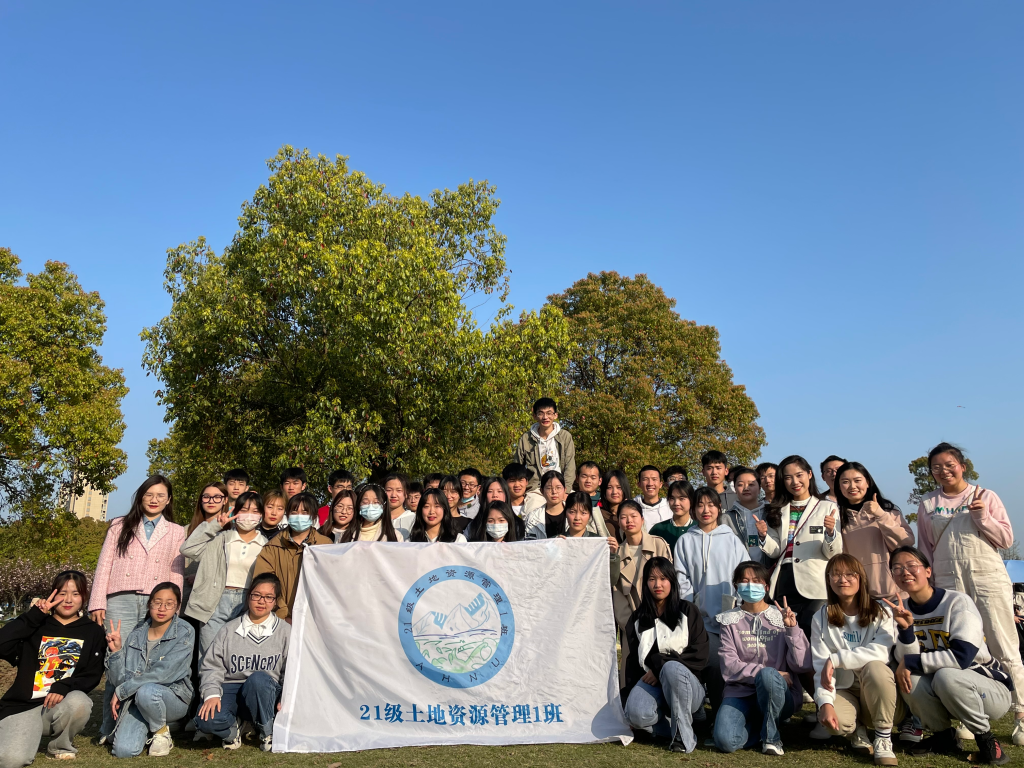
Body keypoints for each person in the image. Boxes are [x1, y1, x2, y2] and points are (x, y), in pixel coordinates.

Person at [914, 442, 1024, 741]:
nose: (943, 471)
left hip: (987, 578)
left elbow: (1006, 539)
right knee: (961, 647)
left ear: (962, 466)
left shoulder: (986, 496)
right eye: (936, 467)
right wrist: (929, 586)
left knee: (1004, 644)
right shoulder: (928, 503)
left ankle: (1021, 714)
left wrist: (982, 517)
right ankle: (968, 712)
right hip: (948, 581)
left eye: (949, 465)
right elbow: (926, 547)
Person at [889, 546, 1013, 764]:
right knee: (910, 677)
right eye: (897, 568)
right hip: (943, 689)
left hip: (988, 689)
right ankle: (943, 736)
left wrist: (910, 661)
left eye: (911, 566)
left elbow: (962, 657)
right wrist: (906, 630)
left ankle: (986, 738)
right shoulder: (900, 609)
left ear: (928, 571)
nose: (905, 572)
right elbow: (904, 661)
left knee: (946, 675)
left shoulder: (957, 602)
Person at [89, 475, 185, 742]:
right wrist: (97, 601)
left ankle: (139, 723)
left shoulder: (176, 531)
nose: (154, 500)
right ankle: (108, 727)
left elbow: (176, 571)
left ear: (168, 500)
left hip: (157, 601)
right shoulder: (119, 525)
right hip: (121, 598)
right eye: (149, 494)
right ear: (140, 497)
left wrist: (174, 607)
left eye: (160, 495)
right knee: (117, 659)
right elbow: (104, 564)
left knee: (149, 660)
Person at [0, 572, 104, 766]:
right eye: (62, 593)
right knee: (10, 760)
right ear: (52, 595)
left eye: (75, 593)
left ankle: (59, 746)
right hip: (24, 707)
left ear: (84, 597)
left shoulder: (93, 631)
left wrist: (65, 685)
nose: (68, 600)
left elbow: (92, 674)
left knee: (79, 702)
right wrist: (33, 616)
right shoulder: (37, 624)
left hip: (59, 707)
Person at [714, 562, 811, 756]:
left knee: (768, 676)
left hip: (779, 693)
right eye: (745, 581)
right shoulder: (728, 620)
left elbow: (802, 663)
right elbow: (729, 666)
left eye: (756, 581)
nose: (750, 586)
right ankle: (761, 726)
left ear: (766, 587)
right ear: (736, 586)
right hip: (740, 692)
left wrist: (792, 629)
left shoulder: (781, 617)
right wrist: (767, 673)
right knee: (725, 741)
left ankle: (771, 739)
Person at [811, 554, 899, 765]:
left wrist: (837, 659)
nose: (843, 579)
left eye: (850, 574)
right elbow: (821, 666)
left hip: (876, 689)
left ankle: (883, 737)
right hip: (845, 688)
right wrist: (824, 702)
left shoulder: (882, 611)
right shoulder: (820, 617)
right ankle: (857, 729)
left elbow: (881, 652)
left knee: (876, 668)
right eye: (836, 574)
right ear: (828, 579)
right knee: (836, 725)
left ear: (861, 578)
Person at [674, 487, 749, 719]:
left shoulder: (732, 540)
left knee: (722, 669)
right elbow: (681, 578)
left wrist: (737, 606)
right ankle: (698, 712)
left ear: (719, 508)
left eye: (711, 505)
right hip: (698, 619)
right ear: (693, 510)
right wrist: (691, 610)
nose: (705, 510)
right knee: (703, 664)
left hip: (730, 618)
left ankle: (721, 716)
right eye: (700, 505)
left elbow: (744, 574)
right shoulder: (685, 541)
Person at [195, 574, 290, 752]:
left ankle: (266, 730)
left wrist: (287, 696)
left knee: (258, 679)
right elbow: (212, 666)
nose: (261, 601)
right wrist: (211, 694)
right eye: (257, 595)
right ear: (248, 596)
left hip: (265, 692)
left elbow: (290, 670)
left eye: (268, 597)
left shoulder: (285, 631)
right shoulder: (229, 629)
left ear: (275, 601)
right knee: (206, 720)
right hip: (232, 688)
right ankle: (234, 729)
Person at [623, 557, 709, 753]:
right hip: (654, 687)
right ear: (645, 583)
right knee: (635, 714)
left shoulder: (688, 611)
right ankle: (674, 726)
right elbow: (633, 663)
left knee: (671, 667)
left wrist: (660, 667)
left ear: (672, 581)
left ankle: (683, 738)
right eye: (652, 579)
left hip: (689, 686)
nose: (658, 585)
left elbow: (700, 654)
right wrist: (627, 700)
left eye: (663, 578)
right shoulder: (637, 618)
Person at [104, 583, 195, 758]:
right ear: (149, 604)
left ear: (177, 606)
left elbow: (165, 673)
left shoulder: (185, 631)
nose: (162, 608)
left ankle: (161, 732)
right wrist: (116, 652)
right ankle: (152, 725)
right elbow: (120, 680)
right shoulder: (137, 633)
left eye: (169, 604)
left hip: (172, 697)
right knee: (124, 751)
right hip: (137, 700)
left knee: (147, 690)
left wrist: (123, 690)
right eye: (157, 602)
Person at [757, 455, 842, 638]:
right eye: (788, 478)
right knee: (787, 633)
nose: (795, 482)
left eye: (799, 475)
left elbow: (833, 553)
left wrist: (830, 533)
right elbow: (776, 551)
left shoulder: (827, 507)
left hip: (816, 581)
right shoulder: (778, 509)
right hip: (784, 580)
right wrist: (763, 536)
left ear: (809, 474)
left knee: (814, 631)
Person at [180, 491, 268, 654]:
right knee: (209, 654)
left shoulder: (266, 545)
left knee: (238, 655)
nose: (249, 515)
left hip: (247, 603)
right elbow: (188, 549)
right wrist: (215, 526)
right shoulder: (221, 538)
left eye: (255, 511)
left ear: (261, 515)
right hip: (215, 600)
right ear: (235, 513)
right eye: (244, 510)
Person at [833, 462, 914, 602]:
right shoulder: (837, 517)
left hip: (896, 594)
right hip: (860, 597)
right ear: (839, 487)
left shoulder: (887, 510)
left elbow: (905, 542)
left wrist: (880, 514)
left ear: (868, 482)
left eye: (857, 480)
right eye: (845, 482)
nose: (852, 486)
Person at [613, 500, 672, 682]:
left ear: (642, 519)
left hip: (661, 622)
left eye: (633, 516)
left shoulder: (658, 545)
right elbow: (616, 593)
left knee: (664, 673)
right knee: (632, 678)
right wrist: (632, 625)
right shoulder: (617, 554)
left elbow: (670, 582)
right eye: (624, 517)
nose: (629, 521)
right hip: (632, 626)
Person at [252, 492, 331, 620]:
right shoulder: (272, 547)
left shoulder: (325, 545)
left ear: (314, 516)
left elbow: (330, 583)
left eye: (305, 513)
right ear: (287, 515)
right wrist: (283, 613)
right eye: (294, 512)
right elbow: (264, 584)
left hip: (316, 617)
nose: (299, 516)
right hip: (281, 619)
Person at [512, 397, 576, 494]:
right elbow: (517, 467)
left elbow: (570, 465)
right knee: (533, 504)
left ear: (555, 415)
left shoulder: (565, 437)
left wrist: (565, 491)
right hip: (536, 489)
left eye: (549, 413)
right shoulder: (526, 438)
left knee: (576, 502)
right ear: (535, 416)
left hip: (561, 487)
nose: (545, 417)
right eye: (541, 413)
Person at [561, 492, 620, 584]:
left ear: (590, 515)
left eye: (583, 513)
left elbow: (611, 581)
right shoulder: (556, 541)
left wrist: (612, 555)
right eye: (572, 512)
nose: (577, 517)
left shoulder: (599, 543)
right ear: (565, 513)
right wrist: (554, 547)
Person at [720, 467, 768, 565]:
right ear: (735, 489)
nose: (746, 488)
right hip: (739, 570)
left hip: (768, 570)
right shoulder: (727, 518)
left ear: (759, 488)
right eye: (740, 485)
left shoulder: (771, 514)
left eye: (751, 484)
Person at [339, 483, 404, 542]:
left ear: (384, 506)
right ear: (359, 505)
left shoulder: (395, 536)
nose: (370, 506)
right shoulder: (345, 536)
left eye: (376, 502)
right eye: (365, 502)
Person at [650, 481, 696, 550]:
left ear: (691, 500)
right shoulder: (658, 529)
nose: (676, 503)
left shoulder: (699, 529)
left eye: (681, 498)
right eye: (672, 498)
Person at [524, 470, 567, 539]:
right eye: (549, 488)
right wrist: (554, 541)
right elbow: (530, 543)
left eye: (558, 488)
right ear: (542, 491)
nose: (554, 492)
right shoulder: (533, 517)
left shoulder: (574, 513)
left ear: (565, 490)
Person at [636, 465, 673, 530]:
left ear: (660, 484)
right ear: (639, 484)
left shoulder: (670, 506)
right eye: (645, 479)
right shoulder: (633, 507)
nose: (650, 483)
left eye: (654, 479)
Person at [601, 470, 632, 539]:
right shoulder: (598, 515)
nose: (614, 492)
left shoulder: (635, 513)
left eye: (619, 487)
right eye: (609, 487)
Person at [384, 473, 415, 540]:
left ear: (406, 494)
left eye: (399, 490)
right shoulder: (377, 519)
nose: (393, 495)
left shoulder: (414, 520)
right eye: (389, 490)